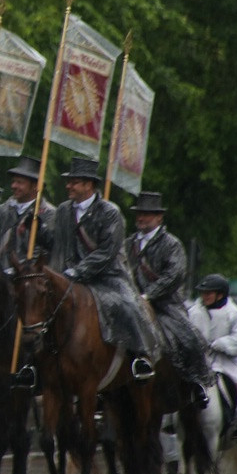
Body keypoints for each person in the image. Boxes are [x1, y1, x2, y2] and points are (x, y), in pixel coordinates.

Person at [47, 157, 159, 382]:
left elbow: (107, 252)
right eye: (69, 182)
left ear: (89, 185)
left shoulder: (110, 212)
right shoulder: (62, 211)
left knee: (128, 305)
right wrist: (36, 230)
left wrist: (78, 271)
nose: (68, 186)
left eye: (74, 182)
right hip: (70, 275)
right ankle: (32, 363)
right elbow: (54, 240)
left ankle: (141, 356)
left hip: (107, 276)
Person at [125, 191, 210, 406]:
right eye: (139, 214)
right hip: (131, 303)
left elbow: (174, 275)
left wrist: (148, 295)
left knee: (189, 337)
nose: (141, 218)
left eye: (147, 214)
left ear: (159, 218)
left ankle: (196, 383)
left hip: (165, 304)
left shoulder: (172, 244)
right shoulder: (128, 244)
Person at [187, 274, 237, 446]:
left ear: (220, 294)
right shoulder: (194, 312)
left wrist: (221, 343)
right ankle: (170, 422)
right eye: (203, 293)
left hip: (226, 361)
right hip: (200, 361)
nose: (205, 296)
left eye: (209, 293)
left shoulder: (233, 313)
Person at [0, 155, 56, 268]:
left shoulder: (49, 214)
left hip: (27, 278)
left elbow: (48, 250)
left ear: (35, 186)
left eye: (20, 182)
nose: (14, 186)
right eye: (13, 182)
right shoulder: (1, 211)